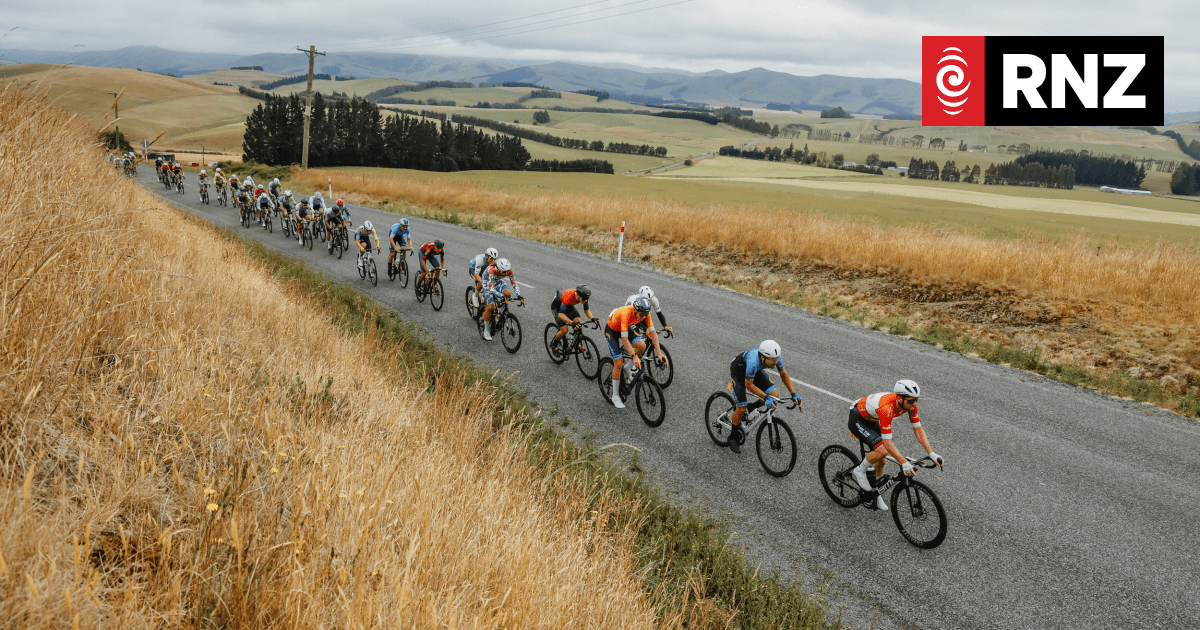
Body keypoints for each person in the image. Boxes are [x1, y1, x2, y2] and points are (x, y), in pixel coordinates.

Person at [846, 380, 943, 511]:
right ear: (899, 399)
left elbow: (918, 430)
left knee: (882, 460)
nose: (914, 404)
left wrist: (931, 453)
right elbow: (887, 443)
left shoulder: (911, 406)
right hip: (858, 417)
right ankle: (859, 470)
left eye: (916, 399)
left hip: (872, 418)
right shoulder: (887, 409)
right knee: (882, 451)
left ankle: (876, 492)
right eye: (911, 401)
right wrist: (903, 462)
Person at [726, 341, 802, 454]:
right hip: (739, 372)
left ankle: (752, 407)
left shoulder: (773, 357)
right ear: (762, 357)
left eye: (776, 359)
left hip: (754, 372)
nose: (774, 362)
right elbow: (748, 385)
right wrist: (765, 397)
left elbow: (783, 373)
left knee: (775, 396)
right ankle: (732, 437)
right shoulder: (753, 361)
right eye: (772, 360)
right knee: (741, 408)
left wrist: (793, 394)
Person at [603, 297, 667, 408]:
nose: (643, 318)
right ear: (635, 310)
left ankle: (628, 368)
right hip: (612, 331)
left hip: (626, 328)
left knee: (642, 345)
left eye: (645, 315)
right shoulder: (626, 313)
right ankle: (615, 396)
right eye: (641, 315)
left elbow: (653, 333)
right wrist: (633, 356)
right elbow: (624, 339)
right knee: (618, 363)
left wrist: (659, 353)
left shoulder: (646, 314)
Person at [481, 258, 521, 341]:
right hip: (487, 282)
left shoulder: (509, 270)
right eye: (504, 272)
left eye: (507, 271)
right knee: (490, 306)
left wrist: (519, 295)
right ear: (498, 269)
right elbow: (491, 289)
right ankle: (486, 330)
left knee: (507, 294)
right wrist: (500, 296)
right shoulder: (492, 270)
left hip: (498, 281)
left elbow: (514, 284)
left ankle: (500, 314)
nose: (506, 273)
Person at [551, 285, 598, 352]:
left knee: (578, 322)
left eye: (587, 299)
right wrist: (572, 323)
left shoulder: (583, 296)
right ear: (578, 296)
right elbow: (560, 315)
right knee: (564, 330)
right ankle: (554, 344)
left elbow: (586, 310)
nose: (586, 301)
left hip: (568, 305)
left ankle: (575, 343)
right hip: (557, 307)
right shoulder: (568, 296)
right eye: (584, 299)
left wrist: (592, 318)